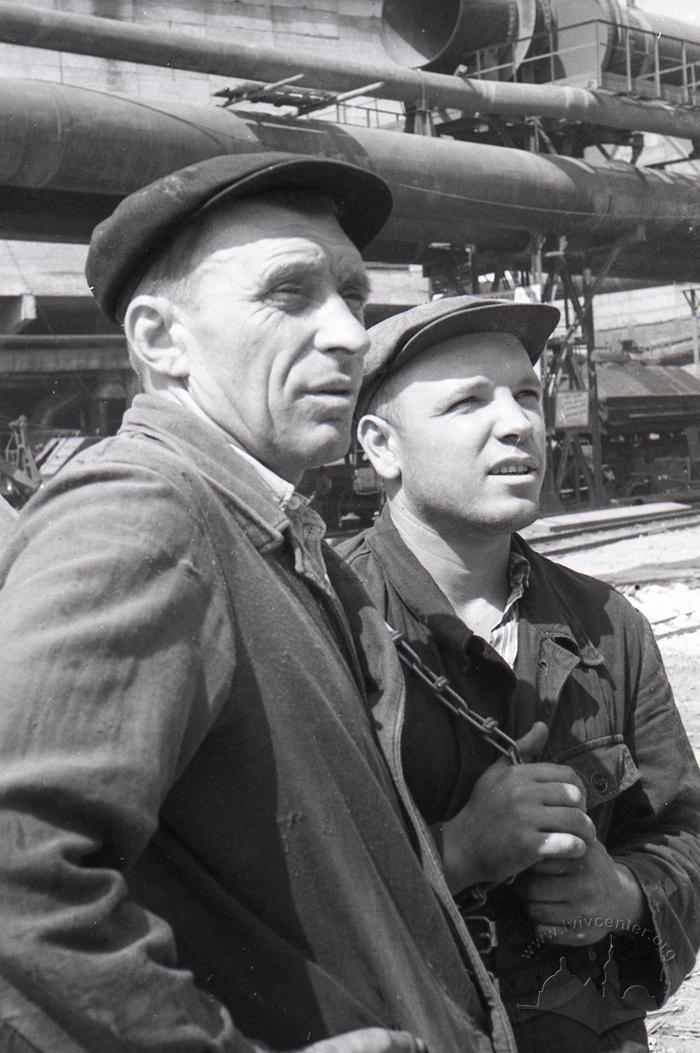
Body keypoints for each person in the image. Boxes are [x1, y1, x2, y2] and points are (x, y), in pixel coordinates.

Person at [0, 159, 517, 1053]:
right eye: (291, 293)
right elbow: (16, 870)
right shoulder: (145, 513)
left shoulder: (269, 530)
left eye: (355, 296)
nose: (350, 334)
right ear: (161, 339)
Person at [339, 295, 700, 1052]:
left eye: (527, 394)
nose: (517, 422)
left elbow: (684, 832)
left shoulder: (608, 623)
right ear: (380, 445)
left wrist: (623, 894)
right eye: (469, 400)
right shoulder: (326, 623)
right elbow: (275, 890)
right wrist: (457, 853)